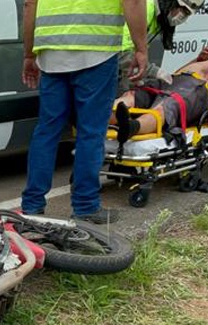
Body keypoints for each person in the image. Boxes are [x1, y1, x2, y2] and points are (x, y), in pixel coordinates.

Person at [20, 0, 149, 224]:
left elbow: (30, 4)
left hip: (52, 53)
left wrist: (29, 54)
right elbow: (134, 1)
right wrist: (141, 48)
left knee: (47, 130)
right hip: (96, 51)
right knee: (91, 132)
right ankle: (85, 206)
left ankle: (32, 205)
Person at [112, 42, 208, 142]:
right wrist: (200, 59)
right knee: (133, 95)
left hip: (200, 91)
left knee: (166, 106)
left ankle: (133, 127)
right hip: (174, 81)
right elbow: (180, 71)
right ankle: (104, 117)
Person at [117, 0, 204, 93]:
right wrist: (154, 72)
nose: (182, 16)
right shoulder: (146, 10)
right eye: (182, 9)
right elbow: (120, 53)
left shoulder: (158, 18)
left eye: (187, 13)